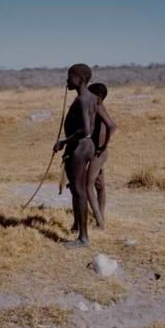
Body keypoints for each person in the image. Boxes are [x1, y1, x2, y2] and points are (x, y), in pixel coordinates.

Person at [53, 64, 110, 248]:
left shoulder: (83, 99)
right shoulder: (93, 98)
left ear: (81, 79)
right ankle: (80, 231)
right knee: (80, 191)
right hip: (88, 147)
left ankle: (83, 238)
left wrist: (64, 142)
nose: (67, 81)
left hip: (79, 147)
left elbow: (85, 129)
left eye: (70, 77)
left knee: (79, 191)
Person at [86, 83, 117, 230]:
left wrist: (103, 145)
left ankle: (100, 223)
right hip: (100, 152)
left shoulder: (98, 107)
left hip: (99, 153)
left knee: (88, 186)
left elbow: (112, 126)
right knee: (100, 186)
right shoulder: (96, 108)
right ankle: (101, 216)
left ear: (97, 97)